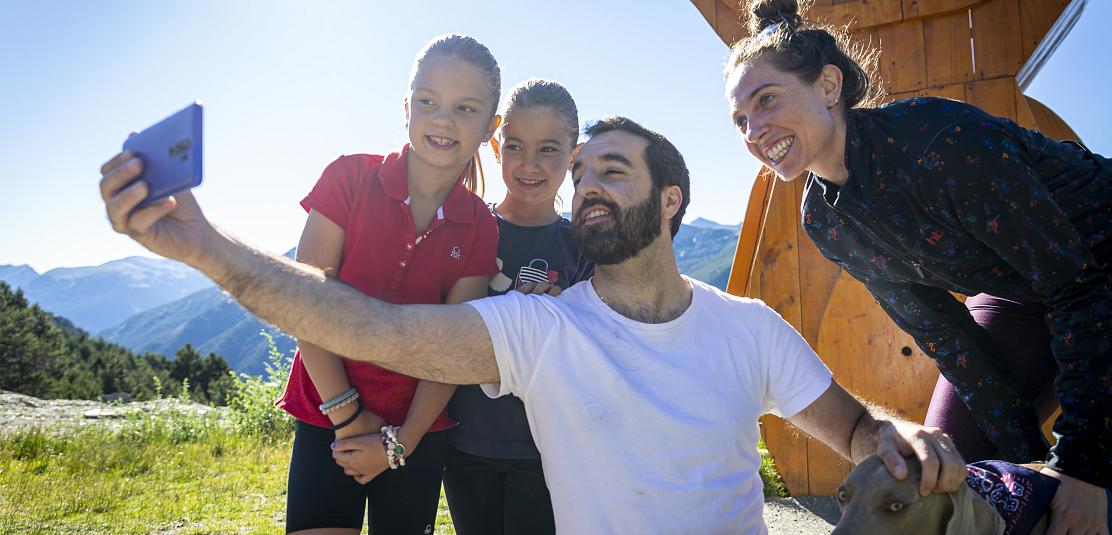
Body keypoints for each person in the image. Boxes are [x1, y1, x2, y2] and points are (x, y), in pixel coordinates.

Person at [99, 115, 967, 534]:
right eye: (579, 168)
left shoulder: (749, 328)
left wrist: (898, 438)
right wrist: (211, 250)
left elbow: (851, 424)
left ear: (670, 202)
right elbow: (370, 324)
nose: (584, 181)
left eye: (611, 170)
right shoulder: (540, 331)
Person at [722, 0, 1112, 532]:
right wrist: (1036, 475)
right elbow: (947, 336)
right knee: (943, 473)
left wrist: (1082, 467)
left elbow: (1078, 291)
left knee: (1085, 479)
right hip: (1025, 295)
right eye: (740, 120)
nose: (753, 131)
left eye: (766, 101)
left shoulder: (938, 144)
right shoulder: (825, 222)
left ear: (829, 86)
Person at [272, 34, 501, 534]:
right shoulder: (348, 179)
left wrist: (401, 441)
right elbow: (305, 303)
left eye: (465, 108)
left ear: (490, 127)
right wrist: (349, 418)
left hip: (417, 432)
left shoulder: (481, 225)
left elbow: (453, 347)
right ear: (406, 106)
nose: (442, 119)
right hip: (325, 415)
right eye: (427, 102)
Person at [443, 79, 592, 535]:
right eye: (515, 146)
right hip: (465, 443)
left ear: (573, 156)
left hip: (548, 449)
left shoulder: (582, 246)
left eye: (548, 149)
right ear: (495, 146)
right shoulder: (467, 229)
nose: (529, 165)